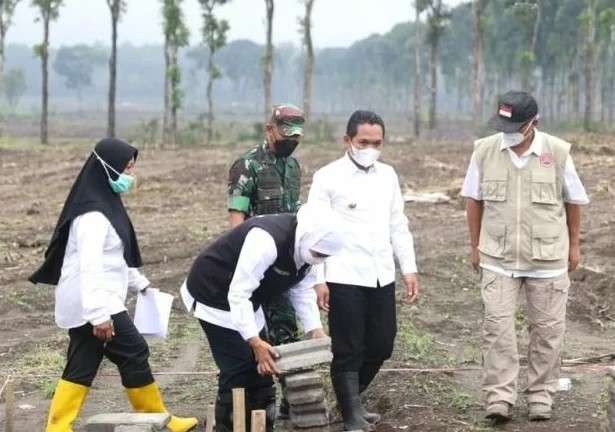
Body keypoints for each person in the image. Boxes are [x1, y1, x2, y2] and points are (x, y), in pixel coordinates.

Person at [29, 138, 198, 432]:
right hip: (94, 301)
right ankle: (159, 419)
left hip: (93, 298)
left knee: (82, 364)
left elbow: (114, 258)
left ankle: (57, 427)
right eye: (126, 168)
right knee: (134, 351)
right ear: (105, 170)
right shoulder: (93, 216)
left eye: (132, 168)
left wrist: (141, 285)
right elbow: (90, 267)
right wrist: (99, 315)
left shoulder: (107, 205)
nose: (130, 175)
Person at [461, 91, 589, 422]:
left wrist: (573, 246)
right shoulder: (484, 151)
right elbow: (473, 200)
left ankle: (540, 396)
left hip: (547, 259)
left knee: (547, 331)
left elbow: (573, 201)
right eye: (505, 125)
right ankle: (500, 398)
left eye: (517, 125)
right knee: (497, 328)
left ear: (534, 123)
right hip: (497, 257)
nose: (510, 131)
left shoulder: (557, 153)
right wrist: (475, 245)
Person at [180, 205, 344, 432]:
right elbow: (238, 293)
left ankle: (261, 425)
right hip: (214, 293)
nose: (318, 259)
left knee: (264, 368)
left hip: (249, 299)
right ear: (307, 238)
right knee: (238, 368)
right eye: (317, 253)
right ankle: (228, 426)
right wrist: (254, 341)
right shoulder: (265, 241)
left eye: (324, 256)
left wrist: (314, 328)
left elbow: (303, 288)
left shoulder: (311, 247)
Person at [307, 110, 420, 432]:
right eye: (363, 142)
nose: (370, 148)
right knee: (347, 348)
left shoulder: (388, 175)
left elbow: (399, 225)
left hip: (380, 273)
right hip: (342, 275)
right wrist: (318, 279)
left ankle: (349, 402)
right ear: (348, 141)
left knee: (382, 343)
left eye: (377, 142)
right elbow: (314, 232)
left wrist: (408, 269)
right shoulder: (328, 177)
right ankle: (352, 415)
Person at [227, 103, 305, 417]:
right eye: (286, 133)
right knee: (253, 334)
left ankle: (290, 401)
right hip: (256, 264)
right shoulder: (247, 166)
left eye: (297, 136)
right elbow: (237, 219)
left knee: (286, 330)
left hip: (285, 264)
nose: (292, 140)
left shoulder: (294, 167)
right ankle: (258, 400)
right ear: (269, 129)